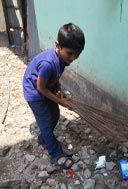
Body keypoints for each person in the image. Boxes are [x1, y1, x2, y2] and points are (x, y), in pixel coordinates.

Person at [23, 23, 85, 169]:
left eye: (77, 54)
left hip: (46, 88)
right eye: (70, 53)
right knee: (45, 122)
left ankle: (44, 138)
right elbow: (41, 88)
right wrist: (61, 102)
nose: (73, 58)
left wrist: (60, 92)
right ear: (58, 45)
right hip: (34, 93)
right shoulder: (47, 64)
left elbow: (56, 77)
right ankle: (56, 154)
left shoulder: (63, 60)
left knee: (55, 115)